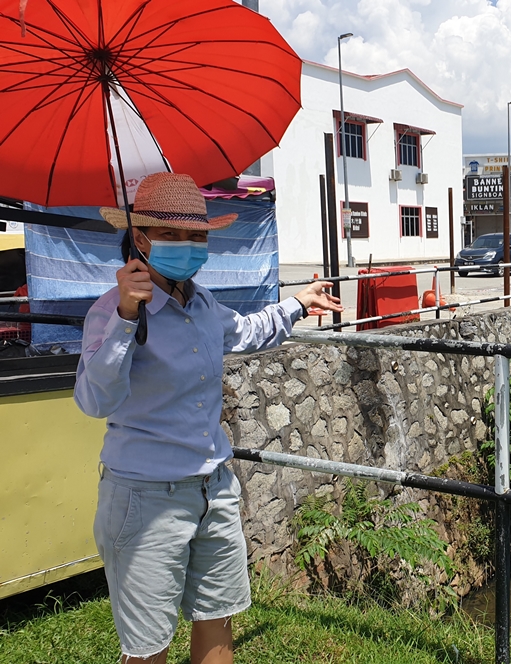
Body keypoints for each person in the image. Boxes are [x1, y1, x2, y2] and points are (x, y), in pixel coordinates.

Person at [74, 172, 342, 664]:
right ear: (140, 239)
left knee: (217, 621)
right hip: (145, 497)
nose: (187, 246)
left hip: (213, 488)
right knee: (149, 646)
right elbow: (94, 400)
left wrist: (299, 303)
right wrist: (127, 318)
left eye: (196, 236)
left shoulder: (202, 304)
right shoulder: (110, 311)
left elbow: (246, 332)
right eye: (171, 235)